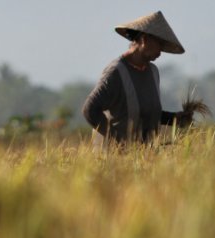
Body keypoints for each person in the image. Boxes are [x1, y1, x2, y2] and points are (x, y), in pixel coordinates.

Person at [82, 11, 192, 145]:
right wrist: (117, 139)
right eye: (159, 44)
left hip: (144, 157)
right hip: (114, 160)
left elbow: (145, 112)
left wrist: (174, 119)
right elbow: (90, 110)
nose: (160, 52)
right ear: (145, 40)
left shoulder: (152, 72)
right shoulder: (115, 73)